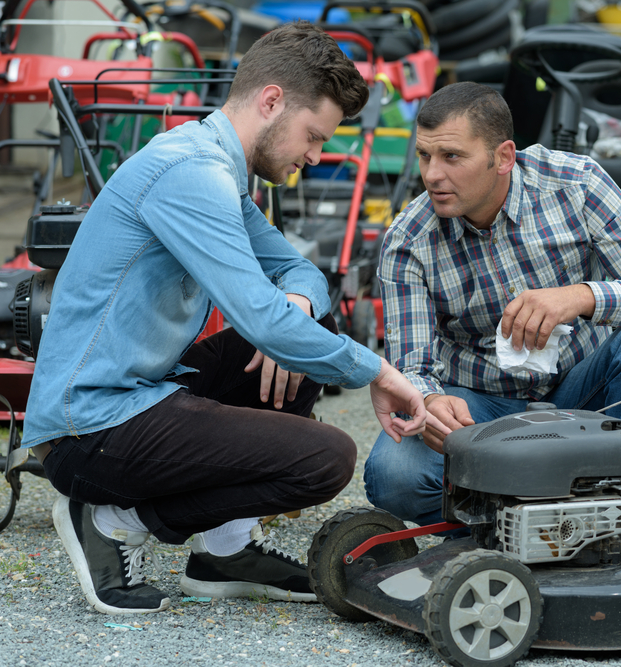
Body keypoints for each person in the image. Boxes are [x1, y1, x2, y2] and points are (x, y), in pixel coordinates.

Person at [20, 22, 436, 615]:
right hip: (89, 426)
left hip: (143, 392)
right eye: (313, 136)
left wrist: (292, 315)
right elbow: (262, 318)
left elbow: (305, 276)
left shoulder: (220, 171)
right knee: (328, 458)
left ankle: (225, 553)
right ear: (271, 101)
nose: (315, 157)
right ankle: (115, 517)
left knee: (304, 341)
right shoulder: (190, 174)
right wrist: (377, 372)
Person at [364, 82, 621, 526]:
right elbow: (411, 366)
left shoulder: (577, 183)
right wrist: (431, 401)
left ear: (503, 157)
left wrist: (582, 296)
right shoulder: (408, 241)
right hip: (479, 407)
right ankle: (509, 527)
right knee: (393, 476)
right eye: (425, 156)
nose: (432, 175)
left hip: (582, 390)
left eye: (452, 157)